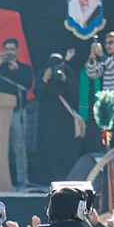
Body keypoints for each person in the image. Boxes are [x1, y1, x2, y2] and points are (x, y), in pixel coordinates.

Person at [0, 37, 34, 189]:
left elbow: (27, 84)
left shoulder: (24, 68)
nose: (9, 52)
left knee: (19, 146)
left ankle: (22, 179)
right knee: (0, 145)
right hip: (1, 113)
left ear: (17, 51)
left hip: (18, 111)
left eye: (12, 49)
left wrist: (16, 70)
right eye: (7, 49)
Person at [37, 51, 83, 183]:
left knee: (65, 148)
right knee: (48, 147)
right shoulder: (43, 73)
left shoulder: (68, 72)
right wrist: (45, 79)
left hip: (65, 119)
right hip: (47, 118)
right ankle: (47, 178)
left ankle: (66, 176)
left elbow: (76, 91)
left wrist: (64, 79)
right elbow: (38, 94)